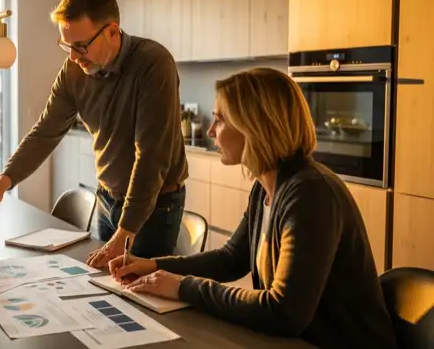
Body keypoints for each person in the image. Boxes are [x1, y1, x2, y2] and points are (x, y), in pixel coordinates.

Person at [108, 68, 398, 349]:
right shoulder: (265, 186)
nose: (210, 130)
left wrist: (182, 287)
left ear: (255, 126)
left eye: (220, 120)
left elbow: (283, 312)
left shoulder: (310, 193)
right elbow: (231, 259)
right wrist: (154, 266)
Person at [0, 0, 188, 268]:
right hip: (107, 198)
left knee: (142, 289)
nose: (72, 56)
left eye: (81, 46)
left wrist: (125, 231)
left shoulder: (153, 64)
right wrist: (1, 184)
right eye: (67, 45)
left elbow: (151, 155)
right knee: (104, 285)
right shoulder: (73, 71)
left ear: (112, 31)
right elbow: (45, 132)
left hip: (154, 205)